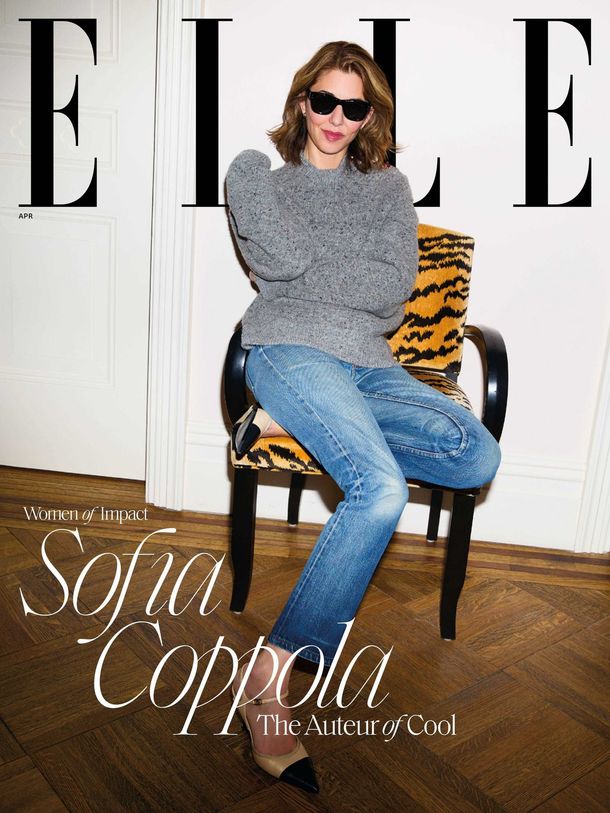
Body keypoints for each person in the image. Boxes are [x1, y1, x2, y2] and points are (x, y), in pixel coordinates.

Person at [225, 41, 501, 794]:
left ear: (370, 115)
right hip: (288, 351)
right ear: (302, 101)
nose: (336, 118)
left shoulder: (388, 188)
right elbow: (278, 265)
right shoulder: (258, 177)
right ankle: (268, 680)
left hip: (372, 365)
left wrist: (317, 267)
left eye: (354, 106)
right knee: (378, 489)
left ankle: (288, 423)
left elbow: (389, 296)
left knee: (474, 454)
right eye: (324, 101)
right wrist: (333, 264)